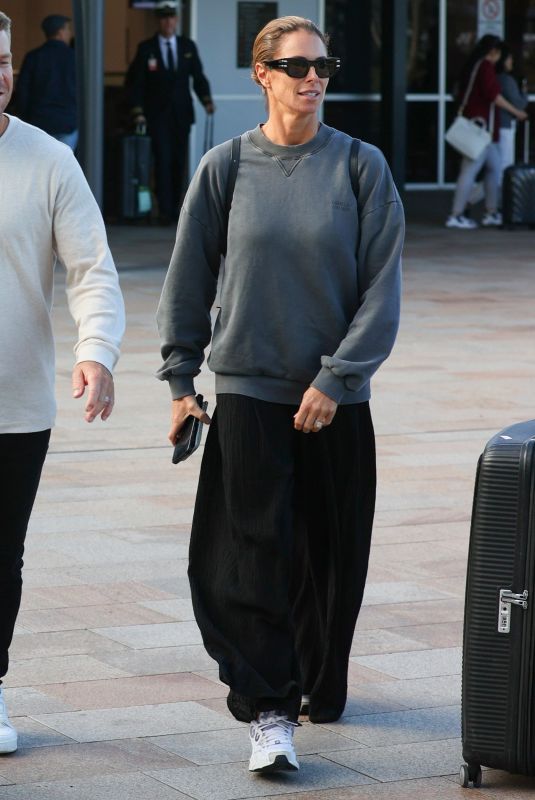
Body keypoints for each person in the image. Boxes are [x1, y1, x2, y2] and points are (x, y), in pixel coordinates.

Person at [157, 15, 404, 776]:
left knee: (330, 562)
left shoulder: (359, 166)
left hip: (335, 402)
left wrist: (335, 379)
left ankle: (313, 687)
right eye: (295, 65)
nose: (312, 78)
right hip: (250, 394)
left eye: (321, 64)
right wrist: (179, 380)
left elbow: (381, 290)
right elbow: (188, 279)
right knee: (242, 562)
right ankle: (267, 709)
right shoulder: (225, 167)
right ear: (261, 74)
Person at [0, 11, 125, 754]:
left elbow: (91, 269)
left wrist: (97, 350)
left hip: (16, 408)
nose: (1, 76)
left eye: (5, 61)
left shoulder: (48, 161)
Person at [126, 0, 215, 225]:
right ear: (159, 21)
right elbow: (136, 83)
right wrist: (138, 111)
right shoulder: (146, 48)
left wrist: (206, 99)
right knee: (162, 161)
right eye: (164, 18)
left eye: (171, 18)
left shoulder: (187, 46)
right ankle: (165, 210)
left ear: (176, 20)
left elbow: (198, 76)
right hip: (157, 115)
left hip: (180, 114)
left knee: (178, 161)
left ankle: (177, 206)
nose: (168, 22)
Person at [445, 34, 528, 230]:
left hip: (485, 131)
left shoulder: (476, 66)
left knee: (495, 168)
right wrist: (516, 112)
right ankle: (456, 215)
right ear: (494, 52)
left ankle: (492, 212)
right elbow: (493, 96)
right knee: (470, 170)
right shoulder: (485, 67)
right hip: (479, 128)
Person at [15, 14, 77, 150]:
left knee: (38, 165)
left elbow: (23, 91)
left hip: (39, 121)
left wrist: (26, 118)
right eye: (68, 30)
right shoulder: (74, 58)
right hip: (67, 122)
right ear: (61, 33)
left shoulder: (33, 57)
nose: (69, 33)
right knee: (63, 165)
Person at [496, 45, 529, 177]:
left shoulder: (496, 78)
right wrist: (524, 90)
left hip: (496, 125)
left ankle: (473, 196)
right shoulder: (506, 80)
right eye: (509, 58)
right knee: (504, 163)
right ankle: (499, 194)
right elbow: (520, 103)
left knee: (496, 164)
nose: (511, 62)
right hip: (504, 125)